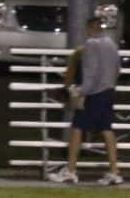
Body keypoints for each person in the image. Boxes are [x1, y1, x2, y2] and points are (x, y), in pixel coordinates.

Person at [48, 17, 123, 185]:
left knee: (77, 128)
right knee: (106, 129)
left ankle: (71, 170)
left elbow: (91, 73)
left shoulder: (90, 45)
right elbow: (118, 70)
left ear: (89, 28)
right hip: (108, 91)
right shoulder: (112, 44)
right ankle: (114, 171)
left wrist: (80, 91)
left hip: (92, 93)